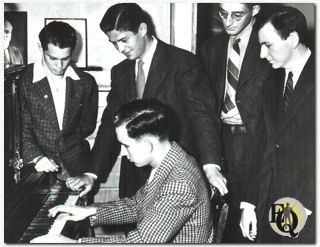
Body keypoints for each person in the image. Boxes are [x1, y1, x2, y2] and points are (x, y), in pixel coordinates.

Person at [68, 3, 224, 201]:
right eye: (114, 43)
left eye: (124, 40)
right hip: (133, 174)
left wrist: (211, 166)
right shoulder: (120, 71)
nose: (120, 49)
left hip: (174, 172)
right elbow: (109, 123)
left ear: (142, 29)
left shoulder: (183, 63)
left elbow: (202, 117)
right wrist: (92, 174)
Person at [30, 99, 214, 243]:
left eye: (127, 146)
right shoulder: (171, 159)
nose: (125, 154)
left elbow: (143, 242)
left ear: (148, 144)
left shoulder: (179, 181)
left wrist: (73, 243)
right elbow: (137, 205)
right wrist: (89, 211)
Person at [240, 6, 315, 243]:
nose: (262, 54)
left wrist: (302, 208)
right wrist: (249, 203)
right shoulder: (271, 84)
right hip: (270, 205)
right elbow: (260, 144)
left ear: (292, 39)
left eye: (268, 45)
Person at [200, 3, 273, 242]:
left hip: (256, 143)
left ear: (255, 9)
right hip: (220, 141)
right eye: (222, 13)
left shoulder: (270, 44)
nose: (228, 21)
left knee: (253, 218)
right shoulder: (210, 49)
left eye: (237, 14)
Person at [20, 21, 98, 182]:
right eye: (53, 58)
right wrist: (36, 157)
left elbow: (87, 126)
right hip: (34, 170)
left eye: (65, 58)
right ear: (41, 48)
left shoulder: (85, 82)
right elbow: (20, 129)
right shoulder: (22, 81)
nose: (59, 66)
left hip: (77, 168)